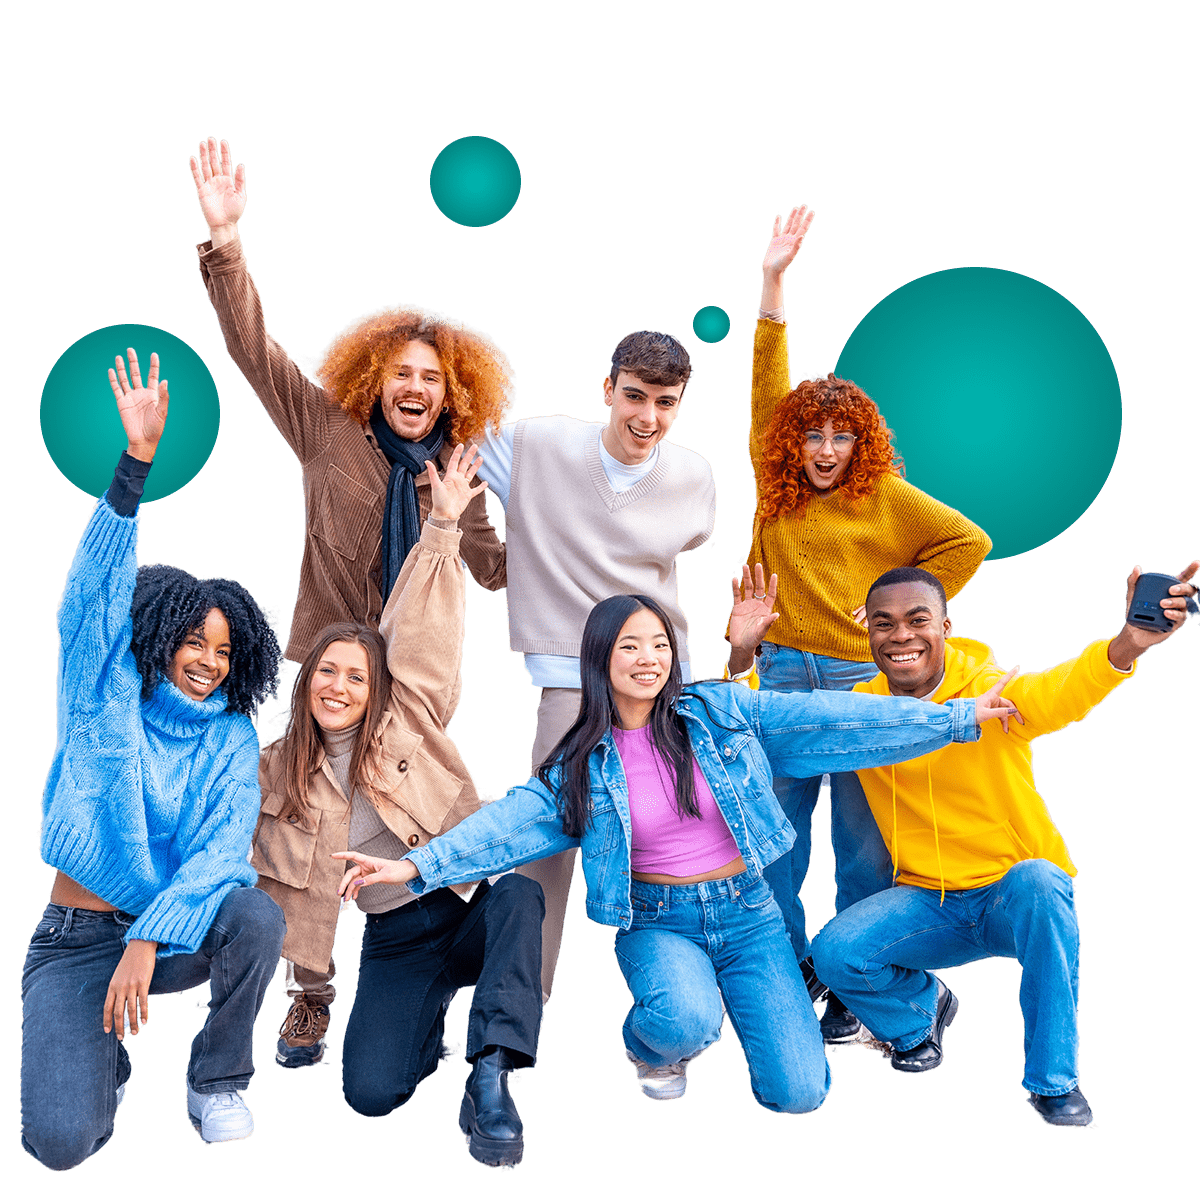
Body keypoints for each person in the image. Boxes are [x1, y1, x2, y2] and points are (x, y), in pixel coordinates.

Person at [334, 588, 1021, 1113]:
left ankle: (736, 1015)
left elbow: (837, 718)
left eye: (659, 644)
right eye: (630, 646)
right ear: (601, 658)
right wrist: (415, 866)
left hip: (750, 917)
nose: (649, 660)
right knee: (682, 1018)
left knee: (800, 1094)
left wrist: (957, 718)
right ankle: (654, 1049)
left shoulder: (720, 713)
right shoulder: (580, 764)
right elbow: (506, 825)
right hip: (658, 919)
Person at [811, 561, 1198, 1127]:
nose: (901, 636)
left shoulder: (991, 690)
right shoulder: (866, 709)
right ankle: (922, 1016)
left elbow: (1057, 694)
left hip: (1012, 895)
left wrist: (1127, 645)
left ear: (945, 627)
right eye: (883, 623)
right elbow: (779, 724)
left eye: (918, 620)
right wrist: (744, 657)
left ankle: (1054, 1085)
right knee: (835, 952)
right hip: (930, 902)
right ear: (867, 631)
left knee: (1041, 879)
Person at [21, 351, 287, 1168]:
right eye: (192, 642)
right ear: (157, 641)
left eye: (223, 649)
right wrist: (135, 467)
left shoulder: (228, 738)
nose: (207, 660)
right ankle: (109, 1059)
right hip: (74, 936)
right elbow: (89, 599)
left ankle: (214, 1082)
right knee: (62, 1145)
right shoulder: (101, 696)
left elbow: (218, 854)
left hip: (163, 938)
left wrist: (147, 941)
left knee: (255, 915)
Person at [737, 204, 991, 1039]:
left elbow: (967, 540)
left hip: (856, 681)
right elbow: (770, 369)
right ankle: (781, 977)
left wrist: (891, 601)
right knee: (771, 844)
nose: (822, 447)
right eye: (811, 434)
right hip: (776, 677)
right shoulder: (771, 479)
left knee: (865, 849)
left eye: (840, 436)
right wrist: (773, 281)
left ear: (860, 444)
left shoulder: (881, 497)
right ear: (787, 441)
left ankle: (854, 985)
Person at [253, 445, 544, 1171]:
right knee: (371, 1094)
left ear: (376, 685)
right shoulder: (278, 773)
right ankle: (425, 1032)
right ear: (307, 682)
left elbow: (423, 628)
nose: (341, 686)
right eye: (328, 672)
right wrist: (309, 986)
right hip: (397, 938)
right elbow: (282, 891)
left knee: (522, 897)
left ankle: (492, 1072)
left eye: (357, 675)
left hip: (464, 902)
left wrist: (444, 525)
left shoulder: (408, 716)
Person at [189, 136, 511, 663]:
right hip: (327, 669)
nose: (415, 387)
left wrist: (573, 525)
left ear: (451, 393)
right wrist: (225, 236)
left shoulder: (458, 469)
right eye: (400, 373)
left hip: (412, 677)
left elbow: (494, 570)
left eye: (432, 378)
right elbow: (250, 348)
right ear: (374, 381)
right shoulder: (326, 427)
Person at [476, 328, 716, 1002]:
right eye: (635, 396)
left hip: (664, 687)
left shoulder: (693, 475)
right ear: (608, 390)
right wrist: (485, 548)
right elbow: (452, 454)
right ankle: (524, 1008)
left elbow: (673, 558)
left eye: (665, 403)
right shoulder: (539, 444)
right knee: (544, 846)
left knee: (672, 848)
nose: (648, 417)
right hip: (568, 683)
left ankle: (673, 1015)